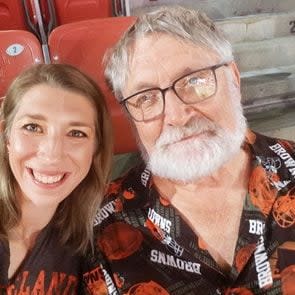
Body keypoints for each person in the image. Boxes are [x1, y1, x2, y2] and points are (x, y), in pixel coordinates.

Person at [84, 5, 295, 295]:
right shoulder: (102, 227)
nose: (177, 115)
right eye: (145, 98)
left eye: (195, 81)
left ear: (233, 78)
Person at [0, 64, 113, 293]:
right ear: (6, 136)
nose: (52, 154)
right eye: (32, 127)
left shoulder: (94, 232)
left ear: (95, 149)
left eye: (76, 133)